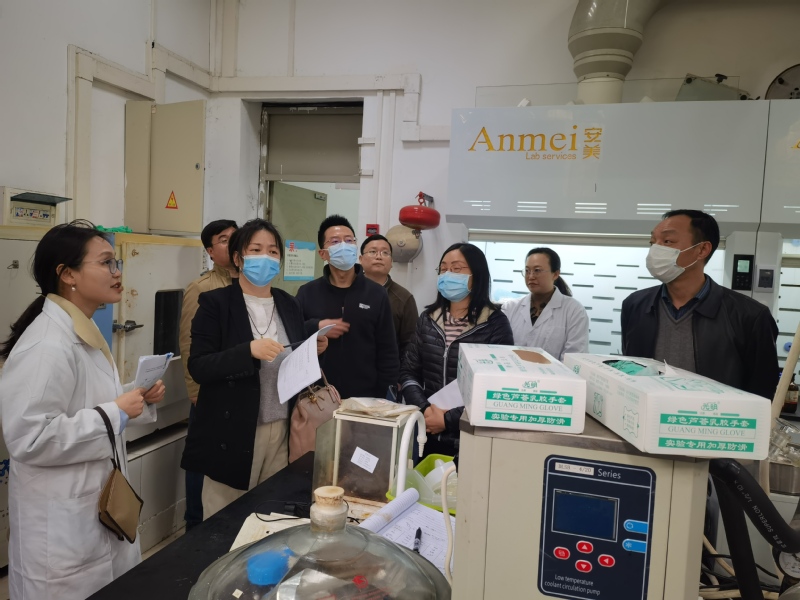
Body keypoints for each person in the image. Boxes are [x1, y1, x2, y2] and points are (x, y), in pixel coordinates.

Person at [0, 221, 165, 600]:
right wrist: (115, 412)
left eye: (116, 262)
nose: (117, 272)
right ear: (68, 274)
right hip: (61, 532)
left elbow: (83, 401)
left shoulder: (79, 329)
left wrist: (133, 398)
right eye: (106, 263)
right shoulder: (47, 344)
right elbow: (29, 436)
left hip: (92, 511)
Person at [180, 219, 328, 518]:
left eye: (273, 251)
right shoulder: (215, 303)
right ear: (238, 258)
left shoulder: (288, 304)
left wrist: (310, 350)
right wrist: (247, 351)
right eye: (256, 250)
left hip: (282, 426)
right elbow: (199, 366)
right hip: (234, 429)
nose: (266, 258)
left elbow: (290, 359)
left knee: (271, 513)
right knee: (226, 518)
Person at [621, 209, 778, 399]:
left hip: (716, 415)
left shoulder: (750, 316)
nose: (656, 249)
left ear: (702, 250)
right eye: (653, 242)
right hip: (647, 414)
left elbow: (762, 392)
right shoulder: (635, 305)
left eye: (668, 241)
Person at [400, 243, 514, 458]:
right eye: (443, 269)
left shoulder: (495, 324)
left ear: (476, 275)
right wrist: (425, 411)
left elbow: (498, 388)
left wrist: (447, 420)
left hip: (471, 437)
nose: (447, 274)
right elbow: (408, 373)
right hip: (427, 434)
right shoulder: (428, 319)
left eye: (456, 268)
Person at [296, 215, 399, 400]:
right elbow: (292, 338)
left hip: (365, 398)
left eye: (349, 240)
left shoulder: (376, 294)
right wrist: (316, 326)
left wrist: (383, 396)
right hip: (318, 398)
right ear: (323, 253)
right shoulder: (307, 292)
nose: (344, 245)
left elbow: (388, 350)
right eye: (335, 241)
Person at [178, 218, 238, 529]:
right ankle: (195, 524)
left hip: (239, 392)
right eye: (224, 239)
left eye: (236, 237)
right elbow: (188, 344)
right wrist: (195, 391)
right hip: (209, 390)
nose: (233, 242)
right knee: (202, 457)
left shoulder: (251, 285)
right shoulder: (201, 288)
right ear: (210, 251)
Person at [502, 247, 589, 360]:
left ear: (555, 274)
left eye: (537, 270)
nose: (531, 276)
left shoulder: (574, 310)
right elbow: (500, 349)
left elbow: (574, 358)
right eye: (527, 271)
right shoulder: (510, 308)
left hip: (556, 371)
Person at [359, 234, 419, 359]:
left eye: (385, 253)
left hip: (388, 367)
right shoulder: (348, 290)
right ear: (361, 259)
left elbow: (410, 345)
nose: (379, 256)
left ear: (391, 262)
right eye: (373, 252)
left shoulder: (404, 298)